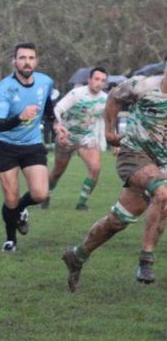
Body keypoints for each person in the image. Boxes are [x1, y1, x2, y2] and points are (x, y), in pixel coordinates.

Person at [62, 59, 167, 291]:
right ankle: (146, 261)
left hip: (162, 163)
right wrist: (110, 131)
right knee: (162, 192)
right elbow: (114, 97)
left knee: (118, 221)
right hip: (134, 154)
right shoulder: (143, 85)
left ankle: (77, 255)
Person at [0, 42, 63, 252]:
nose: (27, 62)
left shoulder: (45, 82)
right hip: (5, 146)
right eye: (22, 58)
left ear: (36, 61)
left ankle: (22, 210)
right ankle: (10, 238)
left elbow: (47, 105)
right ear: (15, 61)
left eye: (31, 58)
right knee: (11, 198)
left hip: (32, 144)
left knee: (41, 194)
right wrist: (20, 118)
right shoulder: (5, 87)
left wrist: (56, 123)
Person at [44, 67, 108, 211]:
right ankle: (46, 195)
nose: (99, 83)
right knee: (58, 172)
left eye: (103, 80)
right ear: (89, 80)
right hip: (67, 136)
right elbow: (57, 110)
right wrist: (58, 129)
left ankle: (81, 203)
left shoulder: (105, 99)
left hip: (86, 137)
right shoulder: (76, 94)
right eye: (97, 79)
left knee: (95, 168)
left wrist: (114, 141)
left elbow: (109, 119)